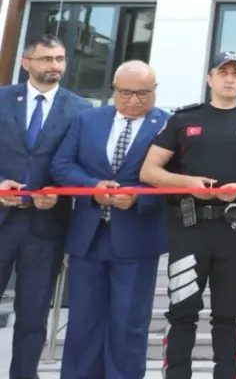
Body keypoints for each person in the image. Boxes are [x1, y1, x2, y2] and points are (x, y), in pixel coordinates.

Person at [139, 50, 236, 379]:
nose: (230, 79)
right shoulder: (183, 119)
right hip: (189, 228)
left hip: (235, 228)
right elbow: (149, 171)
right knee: (182, 310)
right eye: (223, 72)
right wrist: (188, 183)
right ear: (209, 78)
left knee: (227, 313)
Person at [50, 61, 166, 379]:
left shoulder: (168, 125)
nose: (134, 100)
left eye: (143, 93)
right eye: (125, 93)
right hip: (88, 237)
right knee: (83, 322)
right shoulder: (87, 120)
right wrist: (92, 187)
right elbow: (61, 165)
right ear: (113, 89)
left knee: (128, 324)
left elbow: (175, 179)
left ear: (155, 91)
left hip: (137, 239)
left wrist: (139, 197)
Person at [0, 35, 92, 379]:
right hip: (2, 220)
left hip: (45, 226)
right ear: (26, 63)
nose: (55, 65)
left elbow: (81, 163)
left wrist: (59, 191)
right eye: (47, 59)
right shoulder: (2, 99)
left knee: (33, 314)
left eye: (60, 58)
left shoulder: (80, 109)